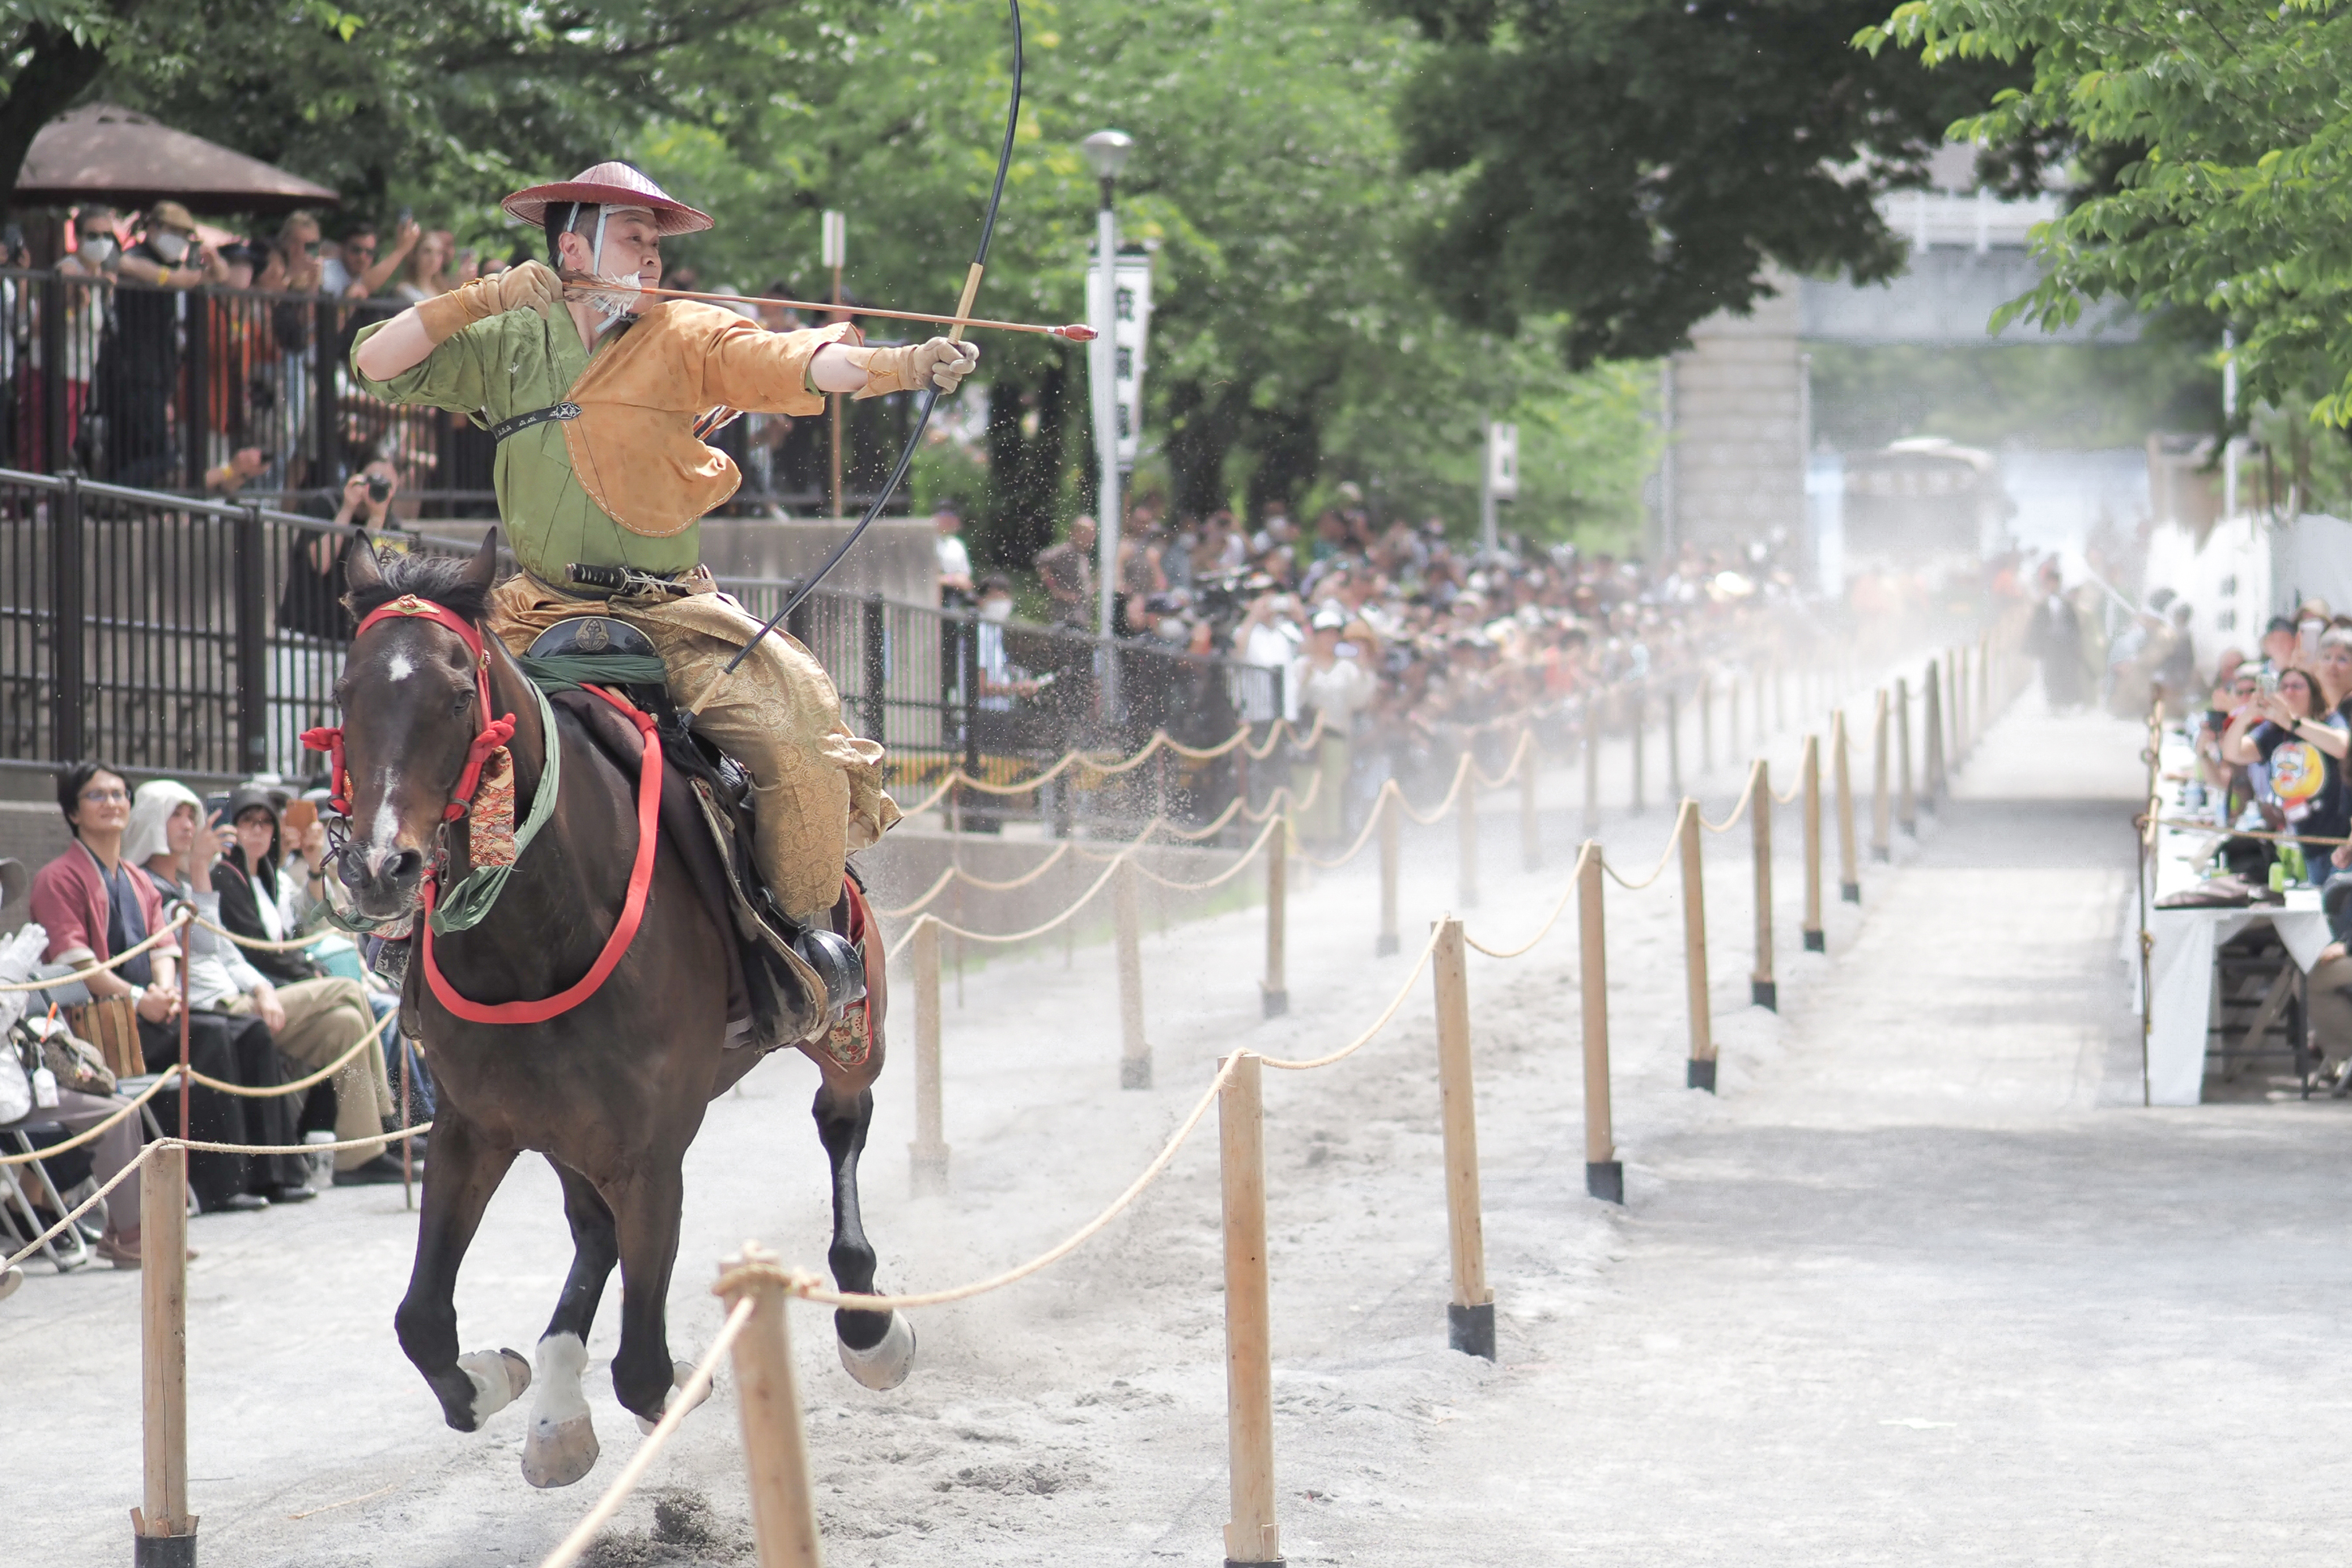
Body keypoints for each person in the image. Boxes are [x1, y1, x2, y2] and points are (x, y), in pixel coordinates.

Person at [347, 162, 975, 963]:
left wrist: (902, 366)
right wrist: (482, 297)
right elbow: (375, 363)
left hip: (668, 611)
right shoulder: (508, 338)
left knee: (801, 739)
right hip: (534, 608)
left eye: (656, 246)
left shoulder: (684, 333)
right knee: (424, 718)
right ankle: (418, 917)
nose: (652, 259)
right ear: (572, 248)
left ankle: (802, 943)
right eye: (634, 240)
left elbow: (794, 362)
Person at [27, 764, 312, 1212]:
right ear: (72, 811)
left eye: (120, 794)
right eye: (97, 796)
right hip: (100, 1025)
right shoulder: (57, 877)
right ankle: (218, 1184)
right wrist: (143, 1000)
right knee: (209, 1036)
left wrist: (163, 992)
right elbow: (79, 963)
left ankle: (272, 1172)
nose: (113, 804)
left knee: (250, 1031)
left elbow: (164, 947)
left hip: (151, 1013)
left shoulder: (137, 878)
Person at [130, 782, 406, 1185]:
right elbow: (227, 949)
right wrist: (205, 869)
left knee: (346, 1023)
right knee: (349, 992)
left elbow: (278, 936)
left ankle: (359, 1154)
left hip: (254, 993)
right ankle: (389, 1114)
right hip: (219, 1006)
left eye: (265, 822)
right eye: (248, 821)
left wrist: (314, 868)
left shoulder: (261, 877)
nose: (257, 831)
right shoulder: (215, 876)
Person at [275, 454, 402, 772]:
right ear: (357, 478)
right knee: (286, 722)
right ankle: (282, 781)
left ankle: (333, 791)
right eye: (370, 479)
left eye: (383, 486)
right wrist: (347, 509)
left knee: (341, 729)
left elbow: (376, 579)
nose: (374, 489)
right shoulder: (326, 504)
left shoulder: (391, 526)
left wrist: (376, 518)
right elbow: (320, 561)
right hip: (301, 633)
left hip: (347, 646)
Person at [102, 201, 230, 485]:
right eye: (175, 231)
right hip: (133, 368)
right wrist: (172, 278)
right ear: (154, 228)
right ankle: (110, 493)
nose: (180, 240)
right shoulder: (137, 256)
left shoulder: (172, 264)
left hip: (159, 368)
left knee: (144, 448)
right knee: (155, 451)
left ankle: (119, 499)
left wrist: (212, 258)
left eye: (185, 234)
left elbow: (219, 276)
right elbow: (121, 263)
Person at [1036, 515, 1097, 628]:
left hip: (1081, 618)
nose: (1089, 537)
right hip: (1065, 618)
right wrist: (1056, 590)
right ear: (1074, 532)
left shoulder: (1083, 556)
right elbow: (1042, 562)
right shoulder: (1065, 551)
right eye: (1085, 532)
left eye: (1092, 533)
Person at [935, 503, 975, 607]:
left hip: (958, 594)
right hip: (940, 595)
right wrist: (952, 580)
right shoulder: (930, 542)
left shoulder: (958, 544)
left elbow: (966, 575)